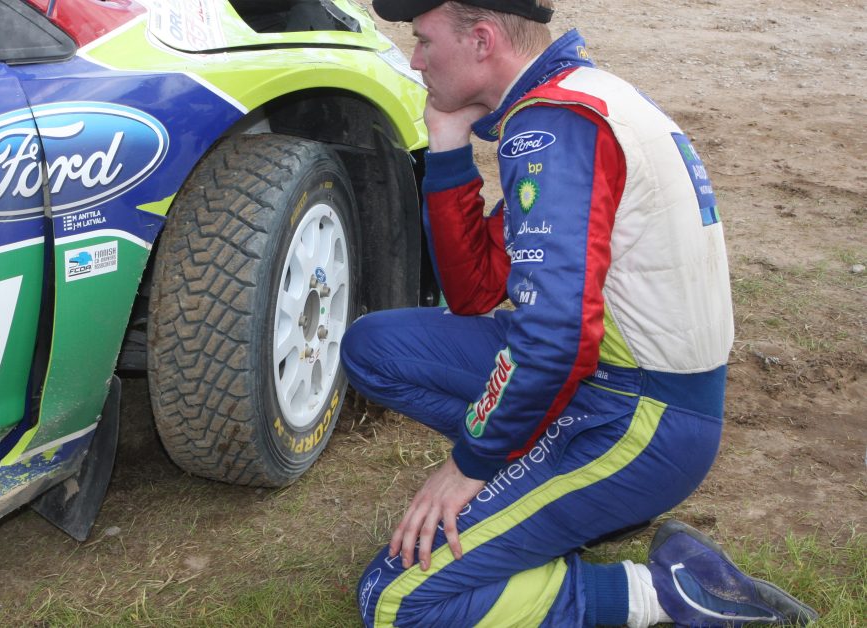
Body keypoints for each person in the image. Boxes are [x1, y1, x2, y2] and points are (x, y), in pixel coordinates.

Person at [340, 0, 818, 626]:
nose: (415, 60)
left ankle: (666, 592)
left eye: (424, 40)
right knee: (373, 348)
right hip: (611, 380)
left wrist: (469, 465)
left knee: (397, 601)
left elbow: (554, 338)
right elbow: (476, 291)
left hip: (640, 415)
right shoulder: (575, 100)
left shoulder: (554, 126)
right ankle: (536, 487)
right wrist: (449, 143)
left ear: (482, 40)